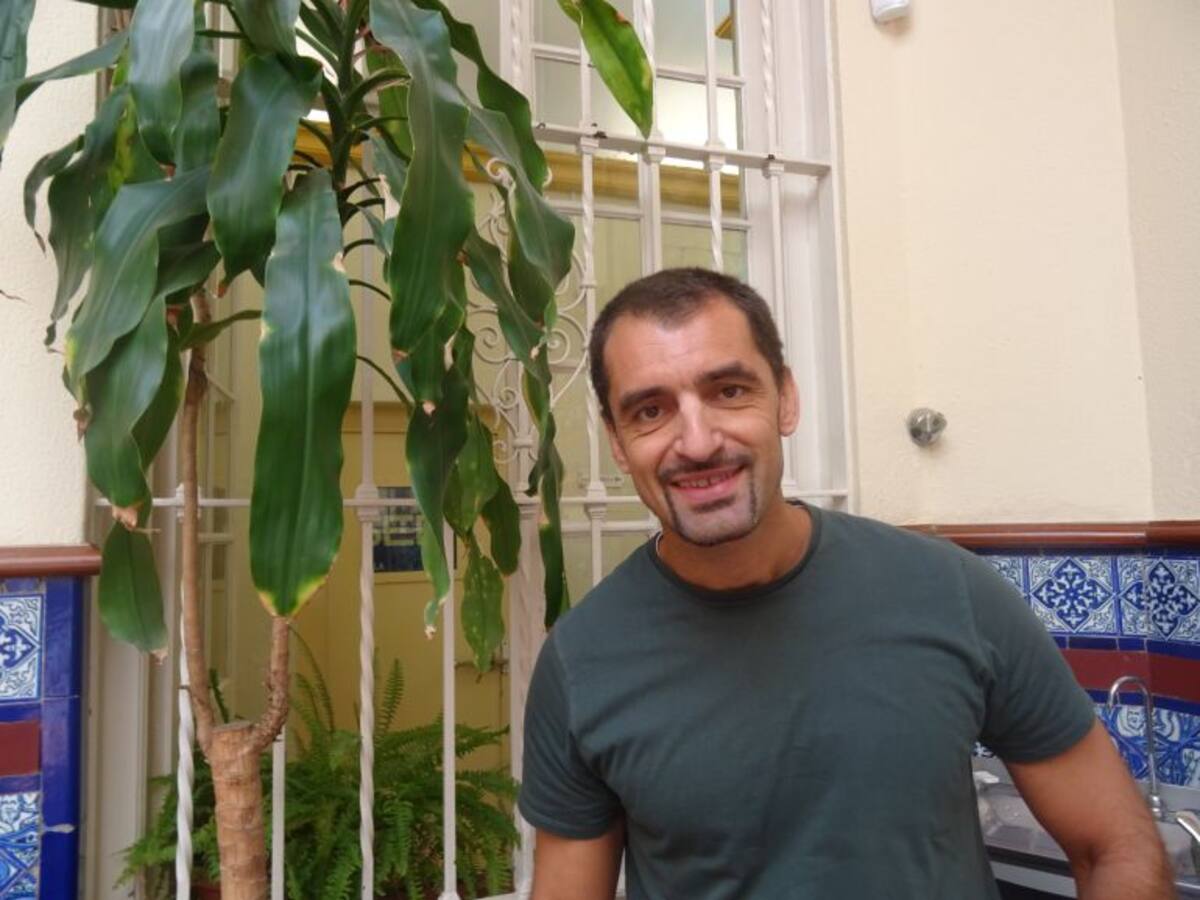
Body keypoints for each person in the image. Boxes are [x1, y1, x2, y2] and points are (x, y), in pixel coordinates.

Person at [518, 268, 1173, 899]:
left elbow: (1115, 845)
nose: (697, 441)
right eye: (651, 410)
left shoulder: (950, 592)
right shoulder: (583, 662)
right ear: (616, 441)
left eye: (729, 391)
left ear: (786, 399)